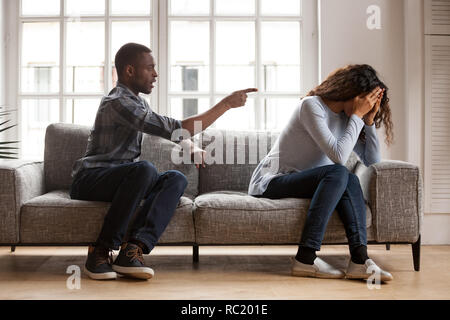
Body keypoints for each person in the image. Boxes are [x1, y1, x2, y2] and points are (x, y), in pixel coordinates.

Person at [70, 42, 257, 280]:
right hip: (90, 179)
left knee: (175, 179)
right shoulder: (118, 102)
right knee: (144, 170)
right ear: (129, 71)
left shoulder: (138, 102)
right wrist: (226, 105)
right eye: (150, 68)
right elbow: (178, 128)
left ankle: (132, 250)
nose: (155, 74)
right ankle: (100, 250)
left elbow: (172, 132)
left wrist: (190, 146)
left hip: (120, 180)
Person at [248, 64, 394, 281]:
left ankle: (359, 260)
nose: (366, 106)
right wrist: (356, 116)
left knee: (349, 178)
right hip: (271, 182)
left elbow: (371, 161)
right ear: (352, 93)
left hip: (313, 182)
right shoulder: (311, 106)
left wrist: (369, 122)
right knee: (338, 172)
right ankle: (305, 258)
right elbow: (338, 156)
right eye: (365, 101)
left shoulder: (348, 119)